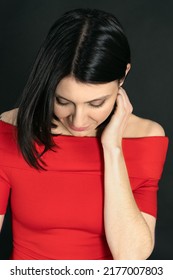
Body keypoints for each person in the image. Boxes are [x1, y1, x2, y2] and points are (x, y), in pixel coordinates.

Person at [0, 8, 168, 260]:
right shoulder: (8, 130)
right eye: (62, 101)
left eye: (96, 103)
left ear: (123, 76)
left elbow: (131, 258)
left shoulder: (146, 138)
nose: (78, 121)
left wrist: (112, 148)